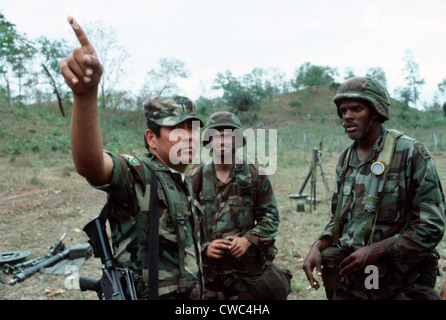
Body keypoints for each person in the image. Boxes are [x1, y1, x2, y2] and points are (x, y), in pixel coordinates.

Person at [60, 17, 204, 300]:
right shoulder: (141, 173)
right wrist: (85, 96)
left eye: (192, 128)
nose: (188, 136)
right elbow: (91, 164)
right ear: (152, 139)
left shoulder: (185, 182)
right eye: (176, 128)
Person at [302, 76, 446, 300]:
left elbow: (432, 224)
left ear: (376, 111)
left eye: (356, 109)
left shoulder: (409, 153)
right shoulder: (345, 158)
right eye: (343, 111)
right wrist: (318, 245)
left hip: (397, 282)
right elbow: (339, 219)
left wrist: (380, 249)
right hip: (351, 279)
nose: (347, 116)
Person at [188, 111, 282, 300]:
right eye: (216, 135)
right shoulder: (196, 178)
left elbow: (270, 218)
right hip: (208, 276)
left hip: (245, 275)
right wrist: (205, 247)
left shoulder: (255, 175)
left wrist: (248, 240)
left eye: (229, 135)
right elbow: (185, 224)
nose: (222, 140)